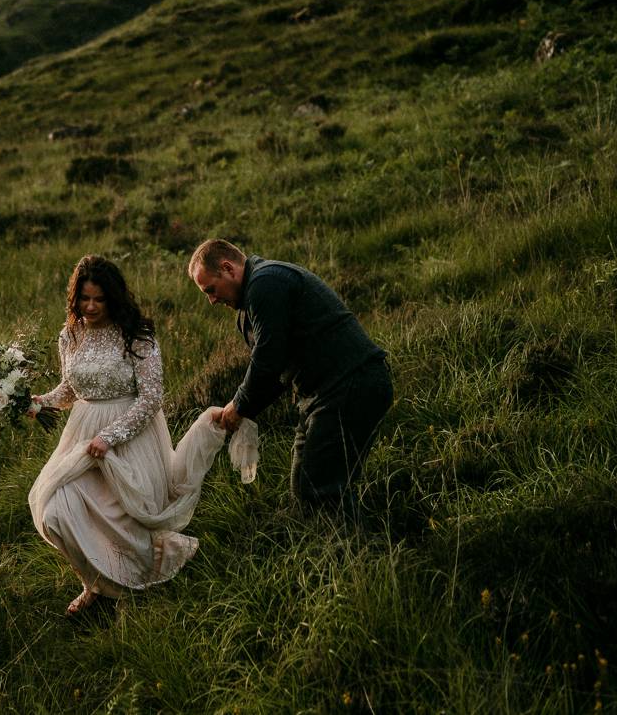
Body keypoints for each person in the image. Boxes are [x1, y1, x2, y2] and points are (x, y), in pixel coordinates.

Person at [28, 255, 226, 616]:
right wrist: (40, 403)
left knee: (124, 518)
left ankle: (121, 589)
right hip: (82, 435)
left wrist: (111, 436)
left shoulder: (137, 334)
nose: (90, 307)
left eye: (99, 300)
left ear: (114, 298)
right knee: (55, 511)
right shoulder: (70, 335)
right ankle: (97, 583)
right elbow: (70, 389)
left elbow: (152, 398)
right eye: (84, 299)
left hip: (130, 433)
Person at [188, 239, 392, 529]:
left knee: (323, 490)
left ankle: (357, 557)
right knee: (305, 487)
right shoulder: (248, 306)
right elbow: (278, 374)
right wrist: (241, 410)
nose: (211, 300)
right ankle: (335, 556)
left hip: (351, 385)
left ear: (227, 268)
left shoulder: (266, 283)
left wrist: (239, 405)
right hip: (322, 395)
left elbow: (267, 360)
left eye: (210, 289)